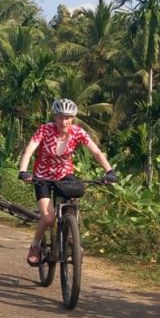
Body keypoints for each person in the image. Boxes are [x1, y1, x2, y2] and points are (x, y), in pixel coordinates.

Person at [17, 98, 117, 267]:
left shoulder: (77, 132)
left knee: (73, 203)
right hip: (43, 176)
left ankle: (72, 239)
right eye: (60, 117)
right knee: (48, 217)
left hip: (65, 174)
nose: (64, 121)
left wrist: (109, 171)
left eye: (68, 117)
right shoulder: (45, 130)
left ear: (73, 118)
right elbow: (29, 150)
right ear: (55, 117)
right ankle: (35, 246)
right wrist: (23, 171)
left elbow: (96, 152)